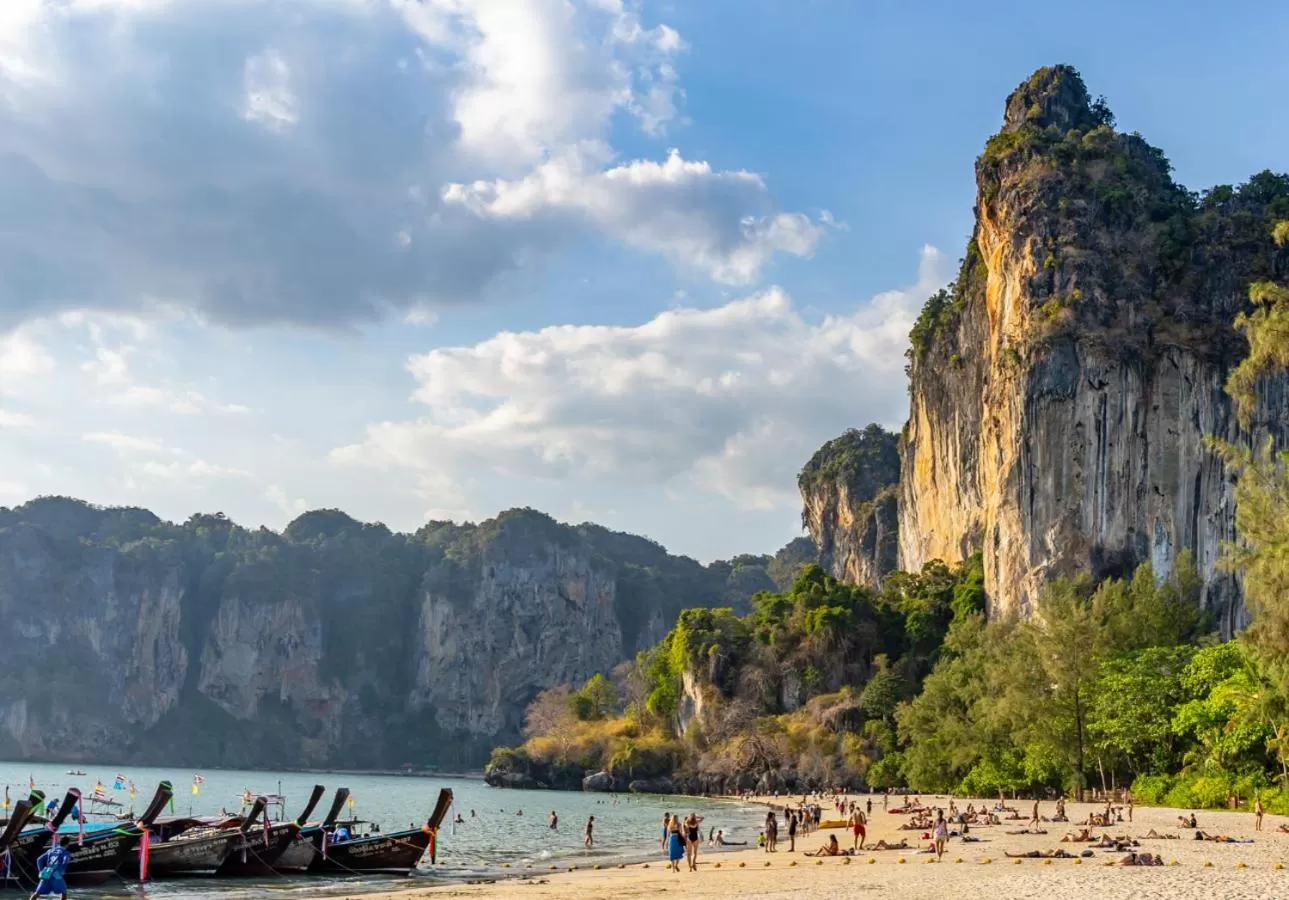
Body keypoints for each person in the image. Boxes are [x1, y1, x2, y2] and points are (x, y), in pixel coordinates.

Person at [30, 836, 72, 900]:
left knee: (37, 893)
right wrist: (62, 869)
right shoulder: (65, 853)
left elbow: (39, 860)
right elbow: (65, 861)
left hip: (47, 873)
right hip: (56, 875)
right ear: (67, 844)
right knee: (64, 893)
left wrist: (41, 871)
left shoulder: (51, 850)